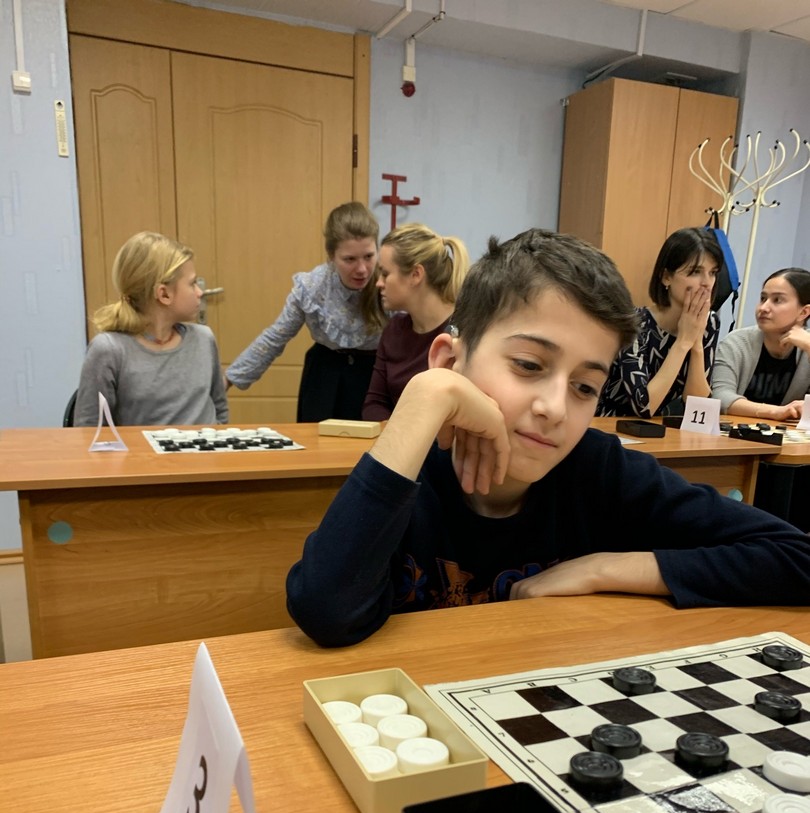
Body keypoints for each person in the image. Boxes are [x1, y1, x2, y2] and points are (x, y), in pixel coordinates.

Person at [286, 228, 810, 648]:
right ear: (449, 362)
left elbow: (797, 556)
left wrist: (607, 568)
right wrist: (423, 398)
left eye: (585, 387)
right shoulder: (408, 472)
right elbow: (325, 611)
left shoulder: (599, 469)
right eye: (528, 365)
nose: (555, 408)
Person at [225, 202, 386, 422]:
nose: (361, 269)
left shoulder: (388, 282)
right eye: (349, 259)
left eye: (368, 256)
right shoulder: (312, 287)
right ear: (331, 255)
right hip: (324, 378)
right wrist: (229, 379)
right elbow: (275, 337)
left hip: (374, 378)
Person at [74, 231, 228, 427]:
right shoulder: (109, 350)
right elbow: (89, 428)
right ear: (164, 294)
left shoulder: (204, 339)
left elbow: (220, 409)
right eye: (192, 284)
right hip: (142, 448)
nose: (199, 292)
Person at [597, 227, 723, 417]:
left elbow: (698, 407)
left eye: (713, 273)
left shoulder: (709, 322)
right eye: (695, 271)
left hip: (656, 428)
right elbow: (643, 406)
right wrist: (683, 342)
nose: (707, 282)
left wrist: (696, 343)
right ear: (666, 277)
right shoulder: (634, 322)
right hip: (610, 423)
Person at [362, 223, 469, 420]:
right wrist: (398, 435)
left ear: (416, 275)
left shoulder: (464, 332)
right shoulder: (393, 330)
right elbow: (374, 404)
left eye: (385, 274)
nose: (378, 283)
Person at [711, 267, 810, 421]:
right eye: (763, 298)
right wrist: (776, 412)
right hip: (735, 431)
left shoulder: (807, 346)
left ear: (804, 312)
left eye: (777, 300)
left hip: (786, 435)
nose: (763, 308)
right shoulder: (737, 342)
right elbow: (720, 397)